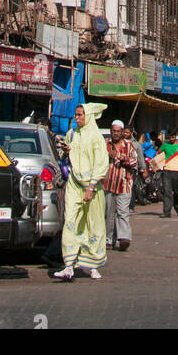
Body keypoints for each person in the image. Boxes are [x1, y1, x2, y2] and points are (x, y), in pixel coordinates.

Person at [54, 103, 111, 280]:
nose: (77, 118)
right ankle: (69, 265)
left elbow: (101, 164)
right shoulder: (72, 135)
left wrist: (92, 186)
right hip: (74, 183)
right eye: (76, 115)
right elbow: (66, 157)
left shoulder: (96, 138)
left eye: (80, 115)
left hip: (91, 187)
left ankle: (93, 266)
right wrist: (65, 151)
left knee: (93, 225)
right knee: (70, 221)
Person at [104, 119, 137, 251]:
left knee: (122, 212)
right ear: (111, 131)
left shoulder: (129, 146)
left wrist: (122, 158)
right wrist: (107, 154)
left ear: (122, 132)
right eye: (114, 131)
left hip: (124, 184)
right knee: (108, 213)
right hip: (108, 183)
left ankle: (124, 238)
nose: (116, 134)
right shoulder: (105, 144)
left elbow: (134, 161)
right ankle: (109, 239)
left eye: (118, 131)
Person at [153, 127, 178, 218]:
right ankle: (166, 212)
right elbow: (157, 153)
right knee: (167, 191)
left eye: (173, 137)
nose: (171, 139)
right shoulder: (165, 145)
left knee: (177, 192)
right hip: (166, 171)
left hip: (177, 172)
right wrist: (158, 163)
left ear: (176, 136)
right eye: (170, 137)